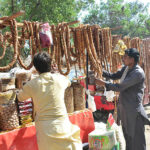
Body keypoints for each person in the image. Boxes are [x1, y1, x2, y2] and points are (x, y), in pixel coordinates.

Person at [17, 52, 82, 150]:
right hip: (63, 125)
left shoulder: (31, 85)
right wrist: (56, 73)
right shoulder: (59, 79)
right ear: (51, 65)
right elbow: (68, 82)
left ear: (36, 68)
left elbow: (19, 97)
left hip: (45, 131)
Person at [95, 48, 150, 150]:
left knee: (137, 140)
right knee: (128, 138)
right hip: (125, 110)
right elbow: (114, 76)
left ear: (132, 59)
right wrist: (99, 69)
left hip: (134, 111)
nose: (123, 58)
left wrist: (102, 83)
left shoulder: (137, 73)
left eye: (125, 57)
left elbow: (119, 87)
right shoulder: (127, 68)